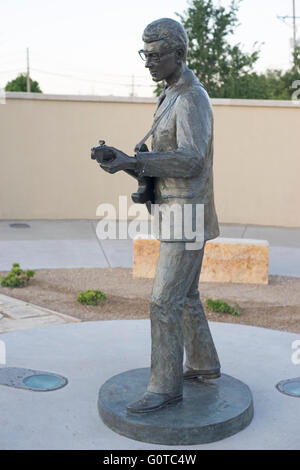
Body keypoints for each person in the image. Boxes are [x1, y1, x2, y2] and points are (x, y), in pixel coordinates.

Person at [96, 18, 221, 413]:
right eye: (144, 55)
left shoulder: (190, 98)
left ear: (179, 55)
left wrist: (138, 160)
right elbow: (164, 161)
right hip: (176, 212)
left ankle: (164, 386)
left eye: (155, 55)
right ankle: (203, 364)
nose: (148, 63)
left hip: (187, 215)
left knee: (163, 301)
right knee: (185, 296)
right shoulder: (169, 93)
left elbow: (191, 159)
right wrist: (126, 162)